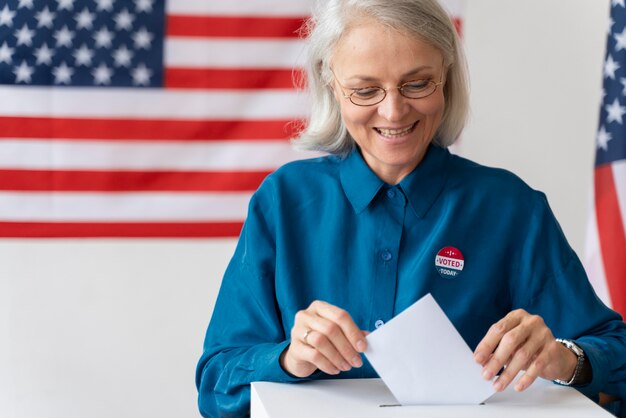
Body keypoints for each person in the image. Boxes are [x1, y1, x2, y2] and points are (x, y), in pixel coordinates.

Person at [196, 0, 626, 416]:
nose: (394, 111)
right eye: (365, 90)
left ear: (447, 76)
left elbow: (615, 353)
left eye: (417, 83)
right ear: (332, 84)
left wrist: (565, 359)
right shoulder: (283, 202)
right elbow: (216, 382)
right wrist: (289, 358)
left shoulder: (512, 208)